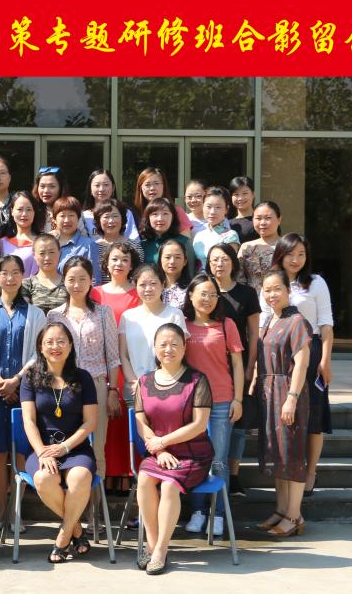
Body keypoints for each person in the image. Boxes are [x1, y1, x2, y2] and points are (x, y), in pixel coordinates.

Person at [134, 323, 214, 575]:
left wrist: (163, 442)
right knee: (144, 479)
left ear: (184, 347)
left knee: (169, 485)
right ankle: (152, 544)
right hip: (159, 453)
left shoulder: (197, 380)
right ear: (155, 348)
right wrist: (159, 450)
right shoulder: (144, 381)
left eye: (174, 344)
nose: (168, 349)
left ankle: (161, 551)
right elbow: (141, 424)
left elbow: (199, 424)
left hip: (193, 453)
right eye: (163, 344)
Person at [0, 255, 45, 529]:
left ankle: (16, 510)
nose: (10, 278)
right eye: (5, 273)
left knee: (21, 451)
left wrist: (16, 380)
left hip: (25, 389)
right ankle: (1, 509)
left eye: (16, 272)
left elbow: (39, 352)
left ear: (22, 276)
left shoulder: (36, 314)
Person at [21, 322, 98, 562]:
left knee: (80, 477)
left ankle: (63, 537)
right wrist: (42, 452)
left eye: (61, 341)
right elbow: (29, 421)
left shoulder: (83, 377)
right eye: (49, 342)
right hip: (42, 448)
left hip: (76, 448)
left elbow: (90, 422)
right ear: (40, 347)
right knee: (44, 479)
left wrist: (65, 447)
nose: (56, 346)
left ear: (71, 345)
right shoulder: (30, 377)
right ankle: (76, 531)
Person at [271, 234, 334, 498]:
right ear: (280, 255)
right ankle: (288, 471)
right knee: (285, 413)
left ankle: (310, 473)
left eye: (301, 254)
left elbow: (326, 324)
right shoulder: (273, 282)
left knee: (314, 415)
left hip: (313, 349)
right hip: (281, 353)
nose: (296, 259)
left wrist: (325, 360)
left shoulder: (316, 282)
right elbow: (265, 322)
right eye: (290, 254)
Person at [182, 274, 244, 537]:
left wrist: (238, 399)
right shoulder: (182, 324)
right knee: (195, 459)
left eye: (212, 294)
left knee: (218, 460)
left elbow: (238, 364)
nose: (207, 299)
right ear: (191, 296)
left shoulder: (226, 324)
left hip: (220, 400)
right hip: (191, 403)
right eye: (202, 293)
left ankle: (218, 514)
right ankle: (198, 512)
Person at [48, 256, 121, 479]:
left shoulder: (104, 313)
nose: (77, 285)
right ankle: (71, 492)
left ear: (91, 281)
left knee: (98, 445)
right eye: (71, 279)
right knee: (66, 443)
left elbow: (113, 357)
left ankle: (96, 499)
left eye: (82, 279)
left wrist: (112, 390)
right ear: (64, 281)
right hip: (64, 387)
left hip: (96, 385)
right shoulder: (54, 315)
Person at [253, 270, 312, 537]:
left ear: (288, 290)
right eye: (267, 290)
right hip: (269, 394)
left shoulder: (296, 320)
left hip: (288, 392)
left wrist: (292, 398)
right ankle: (281, 509)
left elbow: (301, 364)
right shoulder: (270, 319)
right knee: (278, 454)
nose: (272, 294)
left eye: (277, 288)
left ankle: (294, 515)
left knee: (292, 454)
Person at [206, 243, 262, 496]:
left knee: (238, 423)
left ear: (233, 262)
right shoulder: (203, 291)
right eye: (214, 260)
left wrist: (252, 366)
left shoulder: (246, 294)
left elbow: (253, 333)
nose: (219, 264)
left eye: (224, 259)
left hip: (239, 362)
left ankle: (234, 474)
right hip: (210, 364)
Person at [91, 242, 142, 489]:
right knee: (106, 424)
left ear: (132, 265)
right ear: (106, 263)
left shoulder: (139, 293)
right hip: (102, 365)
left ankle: (127, 474)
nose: (119, 264)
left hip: (131, 363)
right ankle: (108, 473)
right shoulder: (95, 293)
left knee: (126, 421)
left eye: (124, 259)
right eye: (114, 259)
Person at [119, 264, 188, 400]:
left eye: (153, 284)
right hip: (134, 388)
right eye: (142, 284)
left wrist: (154, 382)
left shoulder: (175, 314)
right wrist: (135, 382)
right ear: (135, 286)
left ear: (163, 285)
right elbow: (123, 355)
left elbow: (179, 351)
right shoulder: (127, 317)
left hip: (167, 385)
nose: (148, 289)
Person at [139, 197, 197, 274]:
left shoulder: (184, 242)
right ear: (148, 218)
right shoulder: (142, 246)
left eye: (165, 213)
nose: (160, 218)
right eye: (155, 214)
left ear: (173, 217)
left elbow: (191, 273)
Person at [131, 167, 193, 239]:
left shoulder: (177, 211)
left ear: (164, 186)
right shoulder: (133, 213)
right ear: (140, 187)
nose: (152, 188)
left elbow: (185, 240)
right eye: (147, 185)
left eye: (156, 183)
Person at [52, 197, 100, 285]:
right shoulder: (50, 244)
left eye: (71, 215)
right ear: (54, 219)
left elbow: (94, 280)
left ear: (78, 219)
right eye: (62, 216)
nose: (67, 220)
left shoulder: (88, 245)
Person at [93, 200, 144, 284]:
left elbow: (138, 276)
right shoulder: (93, 247)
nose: (111, 221)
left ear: (122, 219)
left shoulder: (134, 246)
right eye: (106, 217)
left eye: (115, 216)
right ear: (99, 220)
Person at [81, 169, 139, 240]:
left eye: (106, 185)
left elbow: (134, 240)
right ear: (90, 189)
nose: (101, 189)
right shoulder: (83, 216)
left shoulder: (125, 212)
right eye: (97, 185)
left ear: (113, 188)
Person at [238, 201, 283, 291]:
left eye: (268, 218)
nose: (262, 222)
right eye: (258, 218)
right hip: (251, 297)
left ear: (279, 220)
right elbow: (239, 278)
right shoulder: (246, 247)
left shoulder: (287, 246)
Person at [0, 192, 45, 277]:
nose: (24, 214)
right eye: (20, 209)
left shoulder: (42, 242)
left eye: (29, 209)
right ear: (12, 211)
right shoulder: (2, 243)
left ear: (34, 212)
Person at [192, 187, 240, 267]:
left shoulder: (230, 236)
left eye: (218, 207)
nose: (212, 212)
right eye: (208, 207)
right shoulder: (198, 235)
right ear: (203, 207)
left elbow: (229, 266)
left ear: (226, 209)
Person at [22, 233, 67, 314]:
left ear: (59, 253)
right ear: (34, 255)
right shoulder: (27, 284)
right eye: (42, 253)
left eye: (51, 252)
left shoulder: (68, 283)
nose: (47, 258)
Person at [157, 238, 192, 310]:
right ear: (160, 260)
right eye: (167, 257)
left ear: (185, 261)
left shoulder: (192, 288)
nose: (172, 261)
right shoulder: (154, 286)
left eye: (177, 257)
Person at [31, 167, 65, 232]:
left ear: (61, 188)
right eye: (42, 186)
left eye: (52, 186)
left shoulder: (71, 210)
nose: (46, 191)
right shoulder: (32, 211)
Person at [228, 176, 258, 244]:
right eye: (236, 194)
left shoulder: (260, 222)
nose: (240, 198)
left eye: (245, 193)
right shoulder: (227, 223)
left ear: (253, 194)